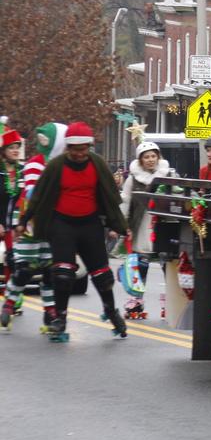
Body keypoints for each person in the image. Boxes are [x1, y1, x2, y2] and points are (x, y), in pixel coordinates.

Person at [18, 121, 129, 342]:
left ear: (89, 147)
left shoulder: (97, 164)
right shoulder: (56, 166)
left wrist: (121, 228)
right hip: (62, 224)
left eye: (84, 149)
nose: (80, 154)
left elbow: (110, 197)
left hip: (90, 224)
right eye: (75, 150)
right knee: (62, 273)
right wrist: (25, 220)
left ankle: (111, 310)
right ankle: (60, 318)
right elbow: (39, 196)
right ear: (67, 148)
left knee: (102, 275)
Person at [2, 123, 66, 330]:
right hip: (28, 221)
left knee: (48, 270)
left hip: (49, 223)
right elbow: (32, 195)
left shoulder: (60, 163)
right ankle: (9, 304)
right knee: (25, 269)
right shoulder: (35, 164)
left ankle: (50, 313)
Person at [119, 140, 177, 319]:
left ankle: (171, 301)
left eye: (153, 156)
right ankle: (136, 300)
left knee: (166, 263)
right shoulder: (133, 178)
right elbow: (125, 200)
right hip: (142, 223)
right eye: (146, 157)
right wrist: (123, 225)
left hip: (163, 223)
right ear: (141, 160)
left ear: (158, 157)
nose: (151, 160)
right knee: (141, 263)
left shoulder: (168, 174)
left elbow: (178, 194)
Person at [0, 129, 24, 313]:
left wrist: (18, 224)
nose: (15, 151)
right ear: (3, 151)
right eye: (11, 148)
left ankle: (12, 299)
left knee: (12, 261)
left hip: (11, 225)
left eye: (17, 147)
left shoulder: (21, 173)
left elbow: (24, 199)